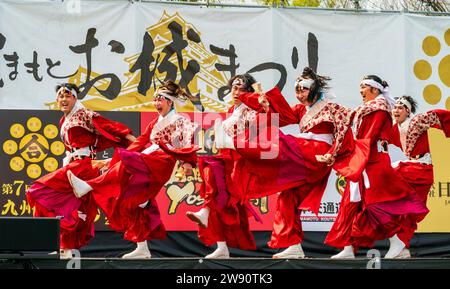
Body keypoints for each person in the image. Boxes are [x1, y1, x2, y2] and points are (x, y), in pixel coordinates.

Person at [231, 67, 370, 258]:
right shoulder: (300, 110)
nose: (299, 94)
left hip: (317, 155)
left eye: (303, 89)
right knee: (287, 197)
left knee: (280, 141)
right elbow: (278, 118)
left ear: (314, 89)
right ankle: (294, 246)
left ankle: (239, 144)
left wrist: (333, 153)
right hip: (303, 157)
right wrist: (264, 106)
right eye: (297, 90)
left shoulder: (332, 107)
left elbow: (343, 129)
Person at [67, 80, 198, 259]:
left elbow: (185, 142)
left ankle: (89, 186)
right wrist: (114, 160)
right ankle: (142, 248)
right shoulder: (154, 123)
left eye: (160, 99)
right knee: (130, 203)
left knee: (126, 163)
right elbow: (139, 142)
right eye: (155, 100)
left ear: (169, 101)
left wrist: (187, 163)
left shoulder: (180, 120)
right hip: (148, 159)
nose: (156, 103)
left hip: (161, 163)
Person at [26, 83, 135, 259]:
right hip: (74, 165)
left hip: (81, 167)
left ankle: (66, 245)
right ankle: (66, 249)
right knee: (72, 207)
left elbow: (108, 126)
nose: (63, 99)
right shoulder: (64, 120)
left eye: (67, 96)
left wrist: (132, 140)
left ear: (75, 98)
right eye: (61, 96)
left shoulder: (83, 113)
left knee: (38, 190)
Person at [325, 76, 429, 259]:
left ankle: (398, 243)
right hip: (362, 161)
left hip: (373, 164)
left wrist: (343, 159)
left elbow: (367, 138)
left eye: (363, 87)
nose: (360, 90)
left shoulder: (379, 109)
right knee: (349, 205)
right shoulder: (365, 109)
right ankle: (348, 248)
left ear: (374, 89)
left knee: (376, 207)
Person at [185, 74, 260, 259]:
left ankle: (206, 211)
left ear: (249, 92)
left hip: (238, 162)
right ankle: (221, 246)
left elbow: (253, 136)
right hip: (225, 158)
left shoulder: (252, 111)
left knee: (217, 188)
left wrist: (230, 140)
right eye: (234, 88)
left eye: (242, 89)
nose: (237, 92)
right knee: (215, 190)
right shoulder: (233, 109)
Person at [389, 95, 450, 255]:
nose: (396, 110)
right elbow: (379, 135)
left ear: (408, 111)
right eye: (395, 107)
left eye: (400, 107)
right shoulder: (395, 127)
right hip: (414, 171)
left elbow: (437, 115)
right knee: (408, 213)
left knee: (390, 174)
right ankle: (402, 248)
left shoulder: (416, 121)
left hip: (422, 170)